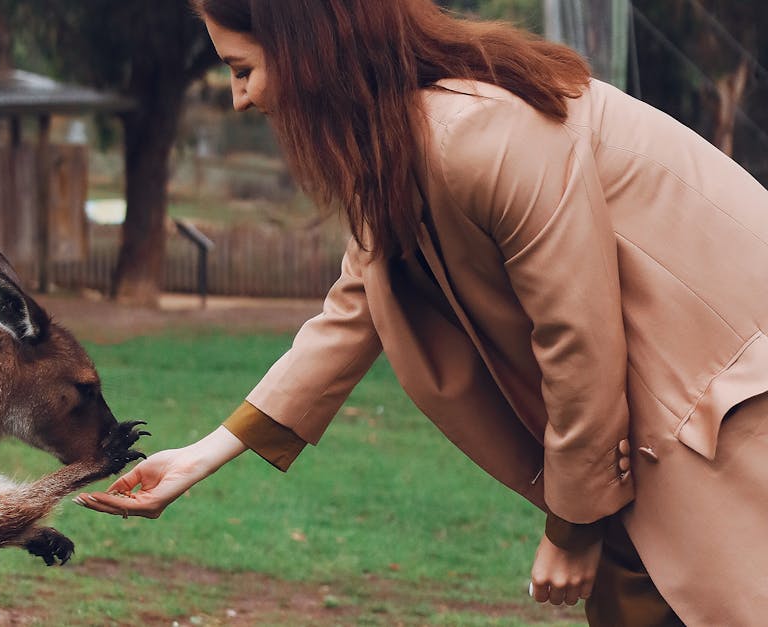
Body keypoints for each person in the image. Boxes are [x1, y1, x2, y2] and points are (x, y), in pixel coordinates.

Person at [75, 0, 768, 624]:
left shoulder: (479, 133)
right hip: (661, 441)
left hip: (726, 419)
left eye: (243, 70)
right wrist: (203, 454)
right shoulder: (404, 142)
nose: (239, 99)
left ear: (308, 47)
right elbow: (354, 309)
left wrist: (572, 528)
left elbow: (578, 341)